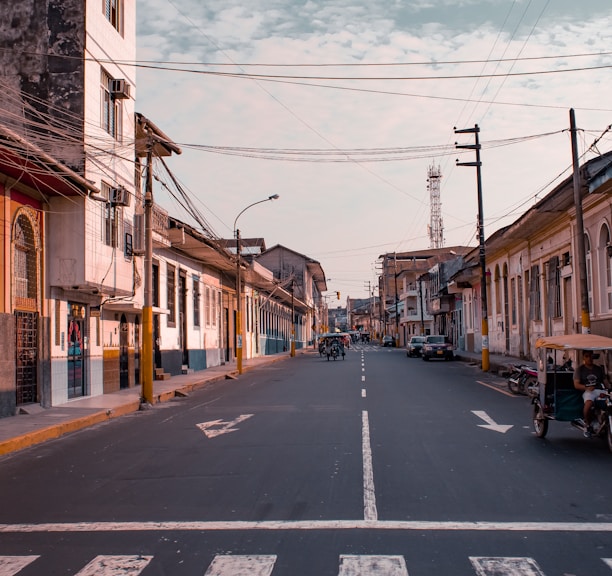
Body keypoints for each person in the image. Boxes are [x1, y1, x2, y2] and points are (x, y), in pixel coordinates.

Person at [573, 350, 609, 437]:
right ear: (584, 357)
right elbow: (576, 385)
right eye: (587, 356)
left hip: (600, 390)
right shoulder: (580, 370)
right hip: (588, 391)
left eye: (591, 356)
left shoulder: (599, 369)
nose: (589, 358)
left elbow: (605, 382)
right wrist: (587, 388)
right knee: (588, 404)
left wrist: (609, 387)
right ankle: (587, 424)